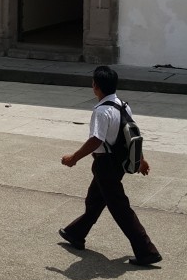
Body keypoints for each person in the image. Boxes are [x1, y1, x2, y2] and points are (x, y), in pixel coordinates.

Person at [59, 65, 162, 266]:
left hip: (105, 164)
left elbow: (96, 140)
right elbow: (131, 134)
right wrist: (140, 158)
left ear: (95, 86)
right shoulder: (123, 105)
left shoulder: (101, 111)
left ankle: (146, 250)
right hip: (116, 163)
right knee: (94, 200)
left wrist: (74, 158)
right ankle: (76, 233)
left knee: (120, 208)